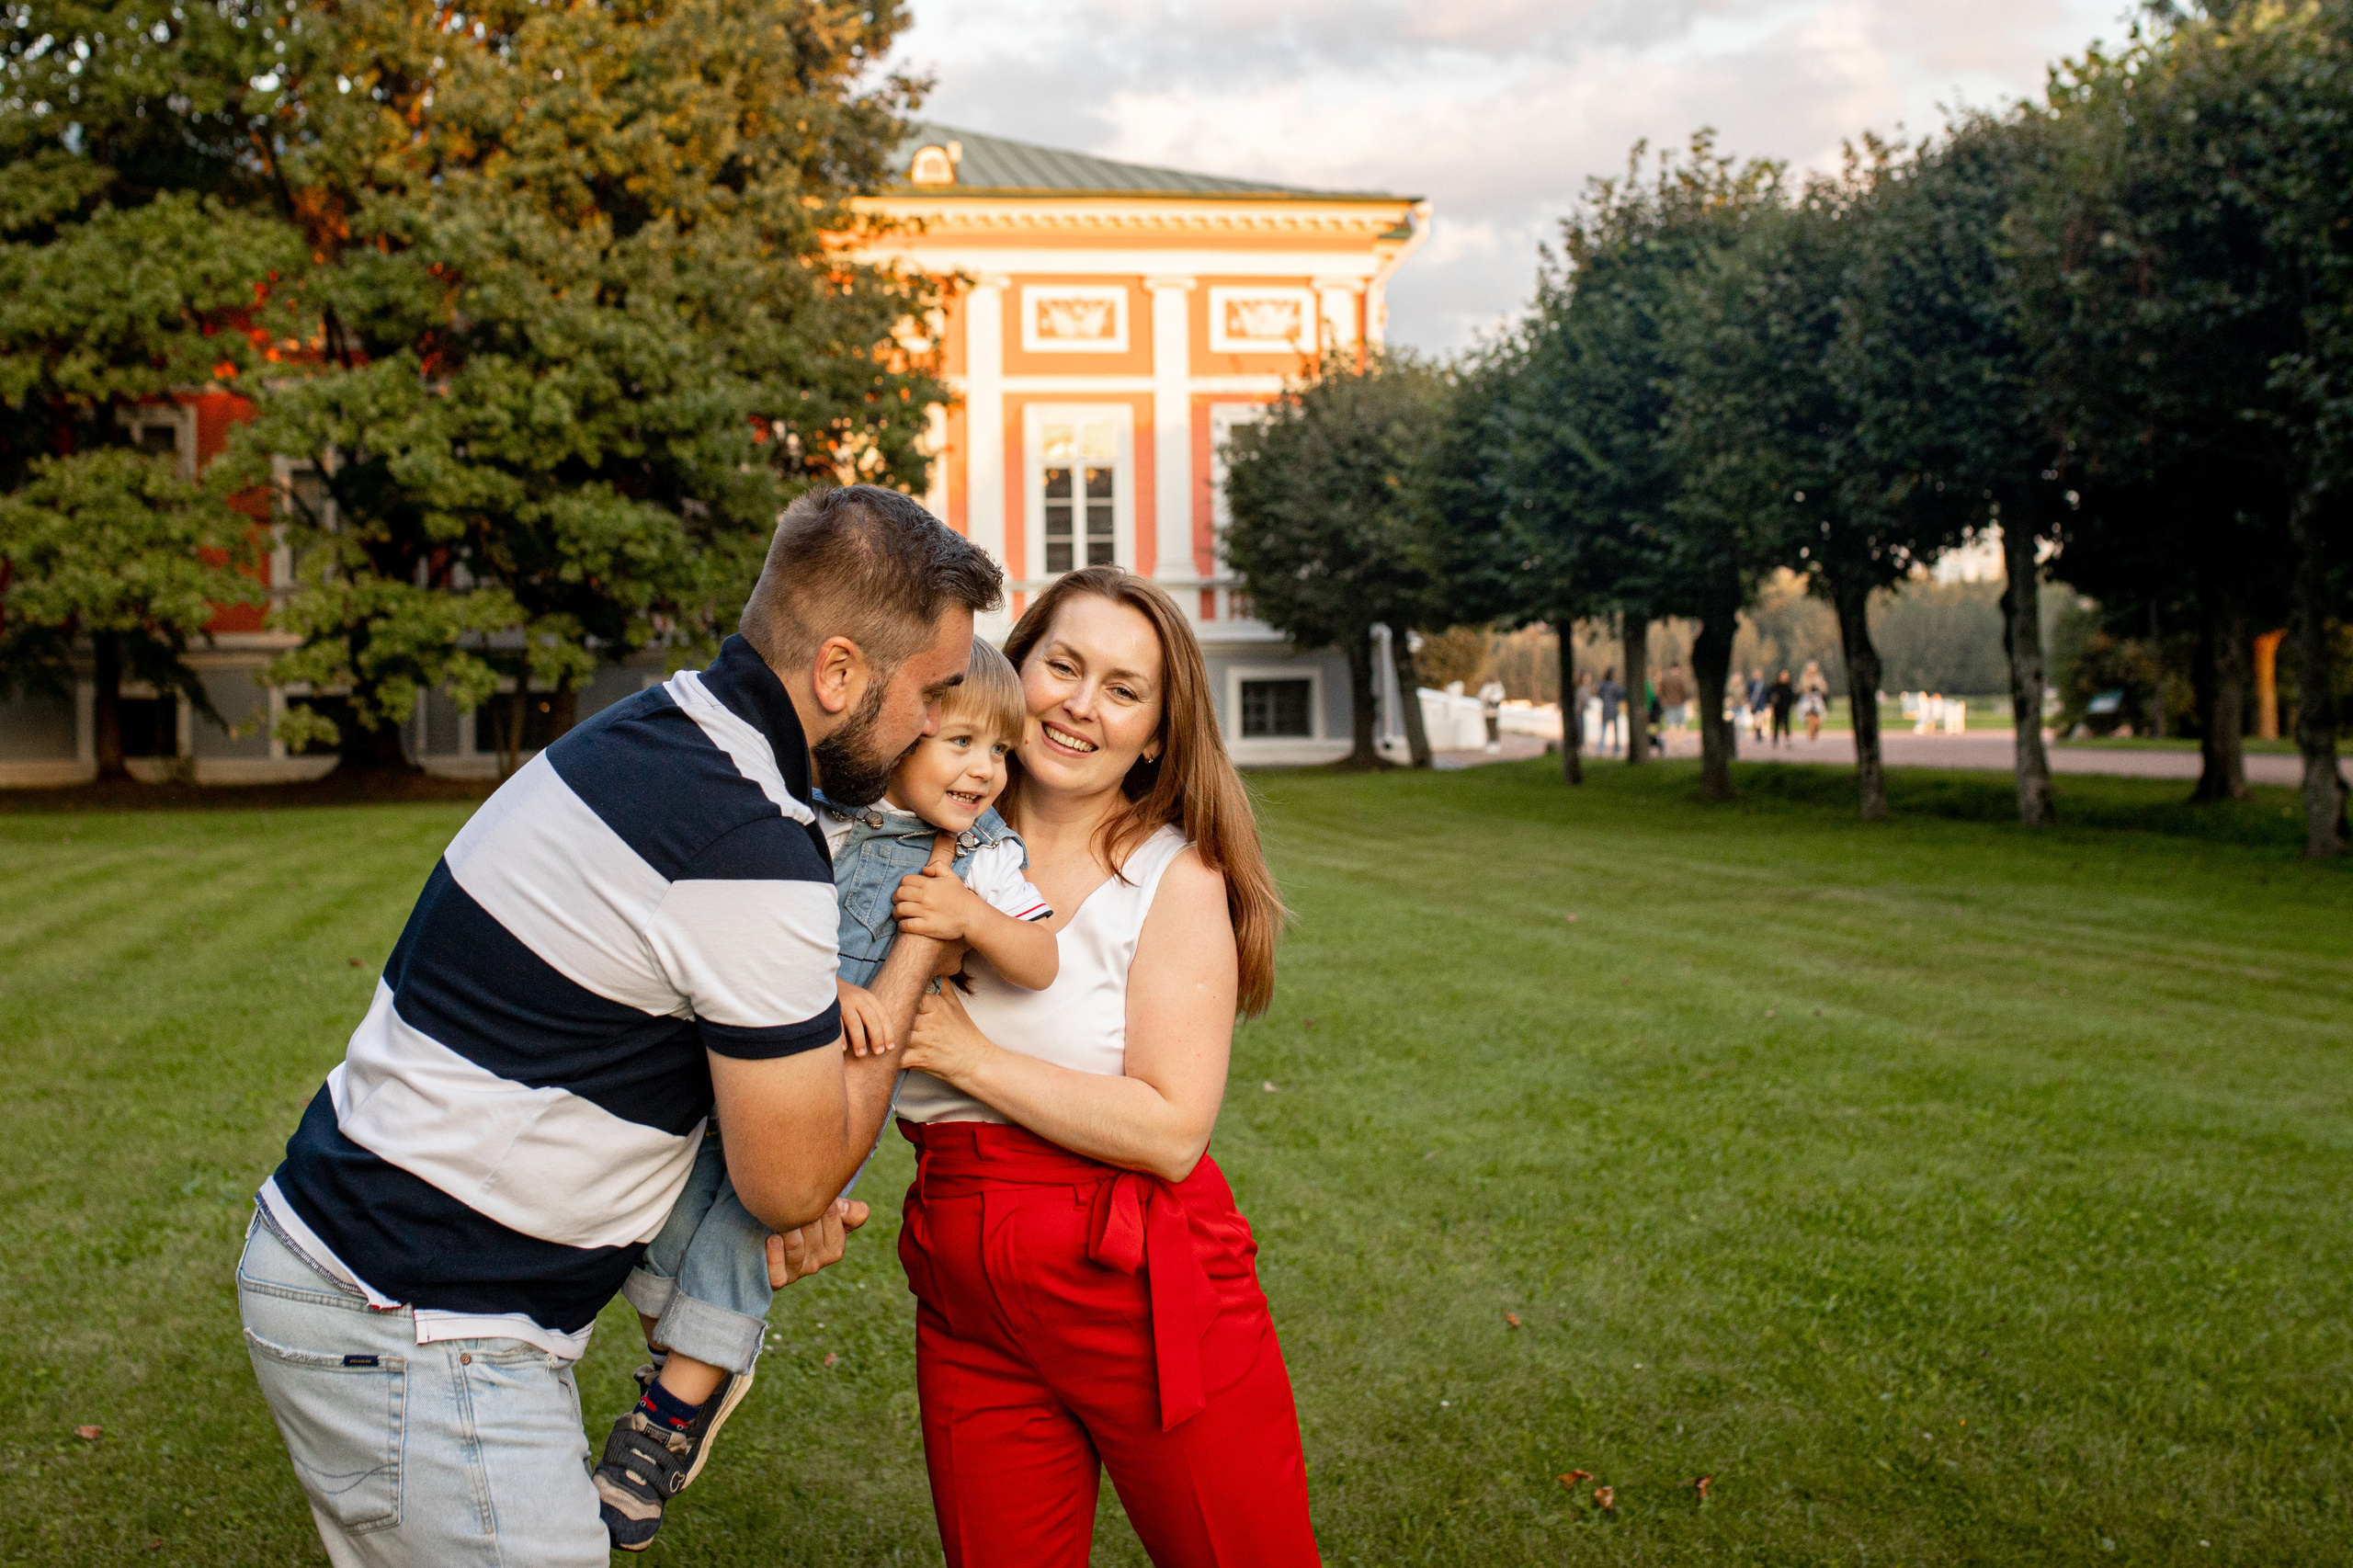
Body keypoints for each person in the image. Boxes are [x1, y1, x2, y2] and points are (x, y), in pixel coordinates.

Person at [236, 484, 1001, 1568]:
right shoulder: (746, 841)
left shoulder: (657, 734)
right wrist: (921, 941)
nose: (932, 723)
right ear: (838, 672)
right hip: (419, 1317)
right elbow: (793, 1180)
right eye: (927, 692)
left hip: (376, 1281)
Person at [888, 566, 1319, 1567]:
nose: (1082, 705)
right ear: (1014, 668)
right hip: (968, 1300)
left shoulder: (1175, 877)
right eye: (1064, 667)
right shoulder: (919, 845)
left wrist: (967, 1055)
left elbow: (1172, 1131)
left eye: (1123, 690)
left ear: (1158, 730)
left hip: (1145, 1289)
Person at [593, 639, 1058, 1551]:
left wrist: (972, 918)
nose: (984, 770)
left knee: (736, 1226)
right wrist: (820, 984)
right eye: (960, 740)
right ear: (896, 737)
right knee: (664, 1207)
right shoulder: (823, 815)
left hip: (840, 1081)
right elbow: (763, 916)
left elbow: (1039, 958)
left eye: (1001, 750)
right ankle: (697, 1357)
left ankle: (660, 1427)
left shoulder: (988, 856)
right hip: (745, 1045)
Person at [1658, 665, 1689, 749]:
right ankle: (1679, 742)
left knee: (1671, 724)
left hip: (1668, 704)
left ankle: (1674, 743)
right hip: (1679, 703)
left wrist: (1664, 701)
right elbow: (1684, 692)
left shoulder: (1665, 680)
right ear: (1677, 669)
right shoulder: (1680, 680)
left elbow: (1660, 692)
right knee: (1683, 723)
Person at [1596, 666, 1624, 756]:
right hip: (1613, 708)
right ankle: (1616, 748)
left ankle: (1601, 747)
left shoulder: (1602, 684)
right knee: (1615, 730)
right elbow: (1620, 695)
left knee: (1604, 728)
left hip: (1606, 708)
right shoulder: (1614, 685)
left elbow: (1599, 694)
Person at [1800, 660, 1829, 743]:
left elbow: (1823, 687)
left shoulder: (1819, 677)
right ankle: (1810, 732)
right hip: (1808, 699)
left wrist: (1819, 687)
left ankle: (1815, 730)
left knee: (1817, 717)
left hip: (1817, 698)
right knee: (1809, 716)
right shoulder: (1804, 677)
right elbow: (1802, 687)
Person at [1767, 667, 1797, 746]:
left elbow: (1792, 696)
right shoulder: (1775, 685)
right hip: (1777, 707)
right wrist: (1771, 703)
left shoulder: (1789, 685)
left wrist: (1792, 704)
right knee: (1776, 723)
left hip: (1786, 707)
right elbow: (1770, 694)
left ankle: (1787, 740)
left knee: (1786, 723)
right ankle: (1775, 739)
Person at [1477, 676, 1506, 753]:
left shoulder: (1487, 687)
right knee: (1494, 727)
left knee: (1490, 728)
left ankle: (1491, 745)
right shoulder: (1499, 687)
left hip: (1488, 711)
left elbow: (1481, 697)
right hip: (1495, 711)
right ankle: (1496, 744)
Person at [1745, 667, 1769, 742]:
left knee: (1759, 719)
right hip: (1753, 703)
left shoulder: (1762, 684)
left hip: (1760, 704)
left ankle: (1758, 733)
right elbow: (1748, 694)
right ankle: (1756, 732)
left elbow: (1765, 694)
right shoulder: (1751, 684)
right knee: (1754, 719)